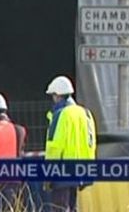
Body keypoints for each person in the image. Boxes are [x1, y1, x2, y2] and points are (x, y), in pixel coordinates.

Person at [43, 75, 97, 211]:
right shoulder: (86, 113)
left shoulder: (60, 114)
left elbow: (54, 147)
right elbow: (91, 144)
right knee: (73, 207)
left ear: (57, 96)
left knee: (60, 207)